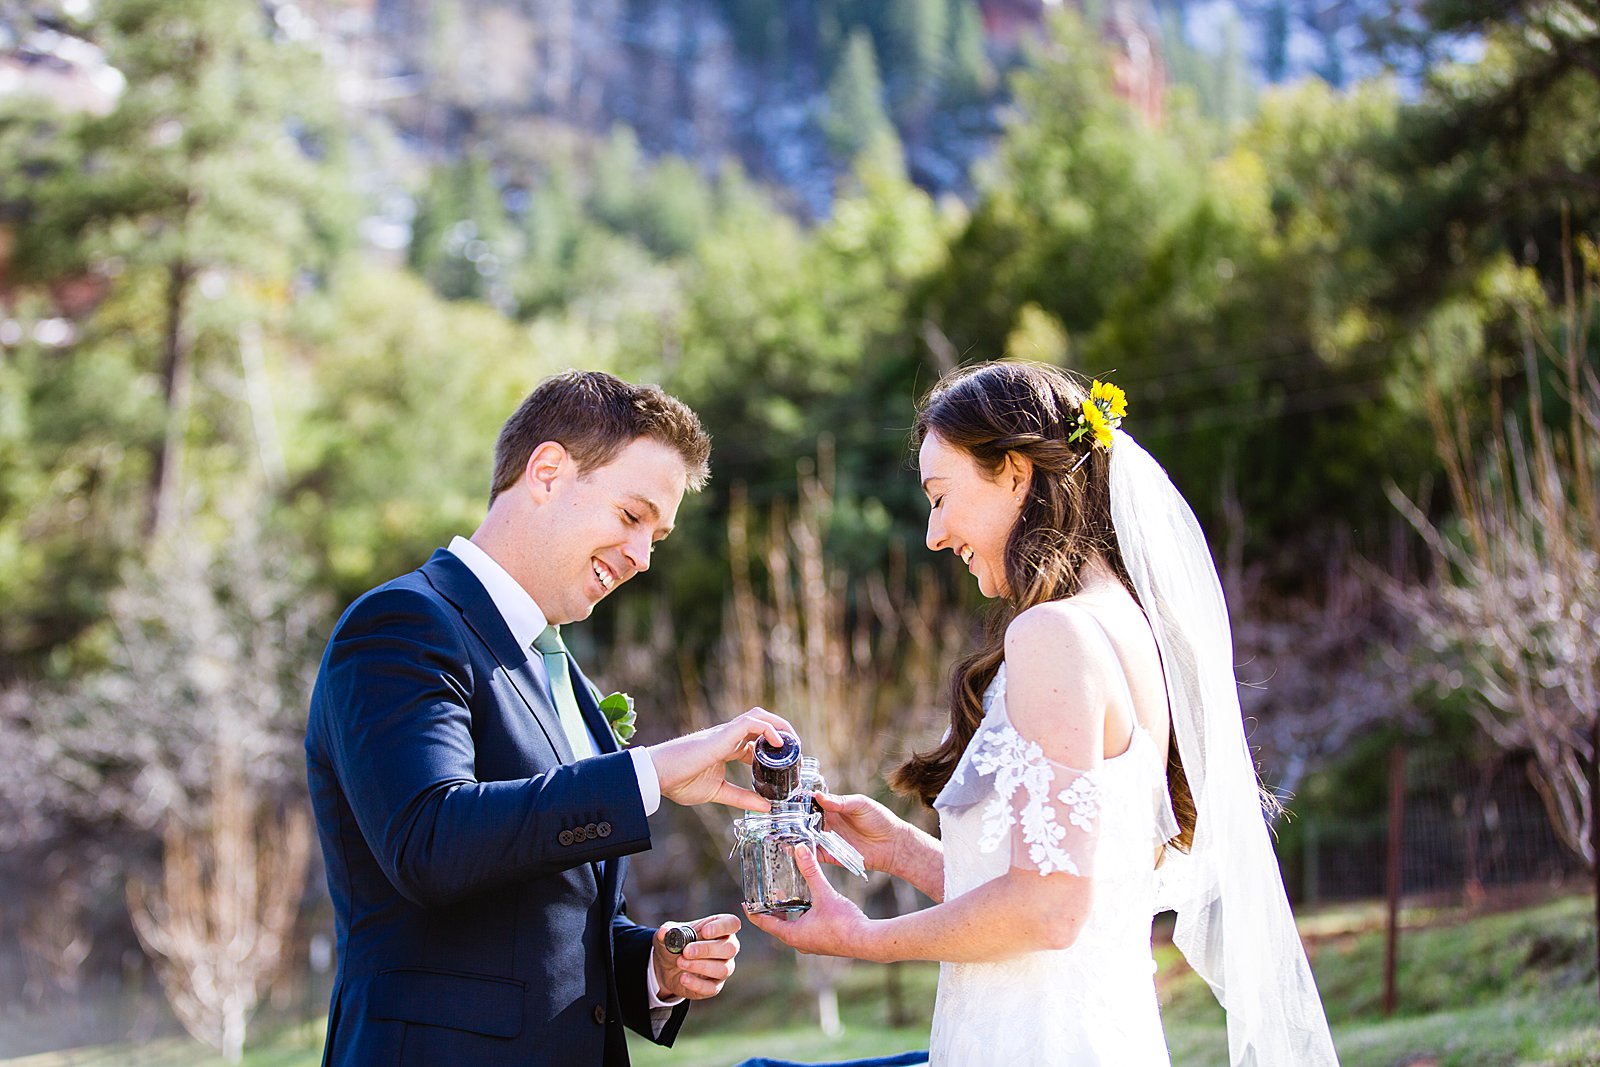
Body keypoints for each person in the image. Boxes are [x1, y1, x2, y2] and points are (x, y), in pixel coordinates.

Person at [746, 362, 1340, 1066]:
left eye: (942, 497)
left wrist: (862, 937)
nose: (935, 534)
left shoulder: (1053, 635)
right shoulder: (1122, 624)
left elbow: (1049, 910)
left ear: (1016, 473)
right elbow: (1076, 889)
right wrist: (904, 851)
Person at [306, 370, 794, 1067]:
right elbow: (429, 840)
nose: (641, 557)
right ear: (546, 472)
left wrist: (652, 967)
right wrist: (647, 772)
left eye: (657, 534)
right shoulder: (401, 626)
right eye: (632, 516)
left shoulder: (564, 676)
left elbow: (544, 923)